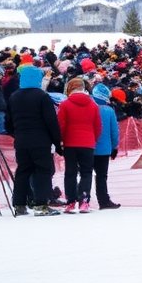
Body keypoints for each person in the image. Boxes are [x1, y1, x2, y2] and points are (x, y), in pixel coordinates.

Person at [9, 64, 62, 216]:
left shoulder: (14, 96)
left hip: (21, 141)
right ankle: (41, 204)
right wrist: (57, 142)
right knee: (43, 171)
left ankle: (19, 204)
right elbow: (51, 121)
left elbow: (8, 121)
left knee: (23, 171)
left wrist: (17, 133)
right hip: (40, 141)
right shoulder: (42, 96)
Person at [58, 76, 102, 213]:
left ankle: (70, 202)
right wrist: (93, 139)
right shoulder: (93, 105)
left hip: (70, 143)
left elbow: (61, 126)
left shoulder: (65, 105)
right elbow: (98, 126)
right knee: (86, 172)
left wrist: (62, 141)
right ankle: (84, 201)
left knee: (70, 173)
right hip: (88, 143)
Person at [91, 83, 122, 210]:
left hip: (86, 147)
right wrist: (114, 147)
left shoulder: (89, 107)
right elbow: (114, 131)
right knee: (101, 175)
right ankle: (103, 200)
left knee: (84, 174)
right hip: (103, 149)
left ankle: (83, 199)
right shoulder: (108, 110)